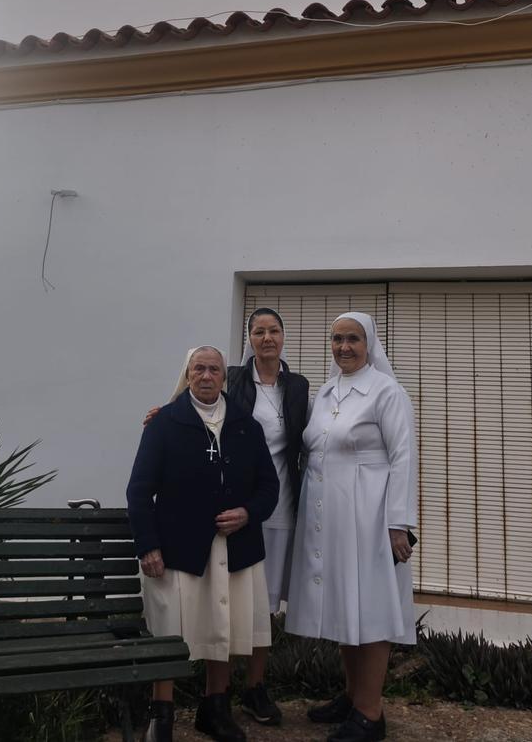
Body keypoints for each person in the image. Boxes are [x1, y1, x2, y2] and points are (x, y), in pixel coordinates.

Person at [127, 346, 279, 742]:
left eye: (214, 369)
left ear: (224, 377)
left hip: (235, 546)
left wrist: (247, 512)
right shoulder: (164, 423)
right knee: (169, 631)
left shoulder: (246, 425)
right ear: (188, 374)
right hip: (178, 547)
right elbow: (139, 490)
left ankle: (215, 709)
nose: (207, 376)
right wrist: (147, 545)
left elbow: (269, 486)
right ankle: (161, 714)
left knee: (223, 627)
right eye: (199, 369)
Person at [285, 313, 418, 742]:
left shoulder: (387, 391)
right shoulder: (326, 392)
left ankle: (370, 713)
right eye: (337, 338)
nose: (344, 347)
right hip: (329, 517)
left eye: (353, 339)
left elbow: (403, 457)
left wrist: (399, 523)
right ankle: (352, 695)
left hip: (369, 515)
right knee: (346, 602)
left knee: (371, 607)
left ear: (369, 343)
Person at [224, 307, 310, 725]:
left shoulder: (298, 387)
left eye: (273, 330)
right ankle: (217, 692)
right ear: (250, 339)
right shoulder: (234, 379)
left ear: (283, 336)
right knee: (230, 599)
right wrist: (161, 415)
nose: (267, 338)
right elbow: (196, 402)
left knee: (265, 605)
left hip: (282, 507)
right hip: (239, 509)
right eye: (259, 331)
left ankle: (254, 688)